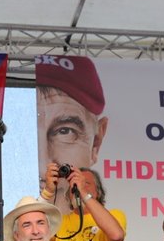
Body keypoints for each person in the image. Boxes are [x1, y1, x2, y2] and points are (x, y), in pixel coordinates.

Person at [35, 55, 109, 214]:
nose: (43, 168)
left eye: (64, 131)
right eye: (26, 133)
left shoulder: (112, 221)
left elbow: (116, 236)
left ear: (96, 143)